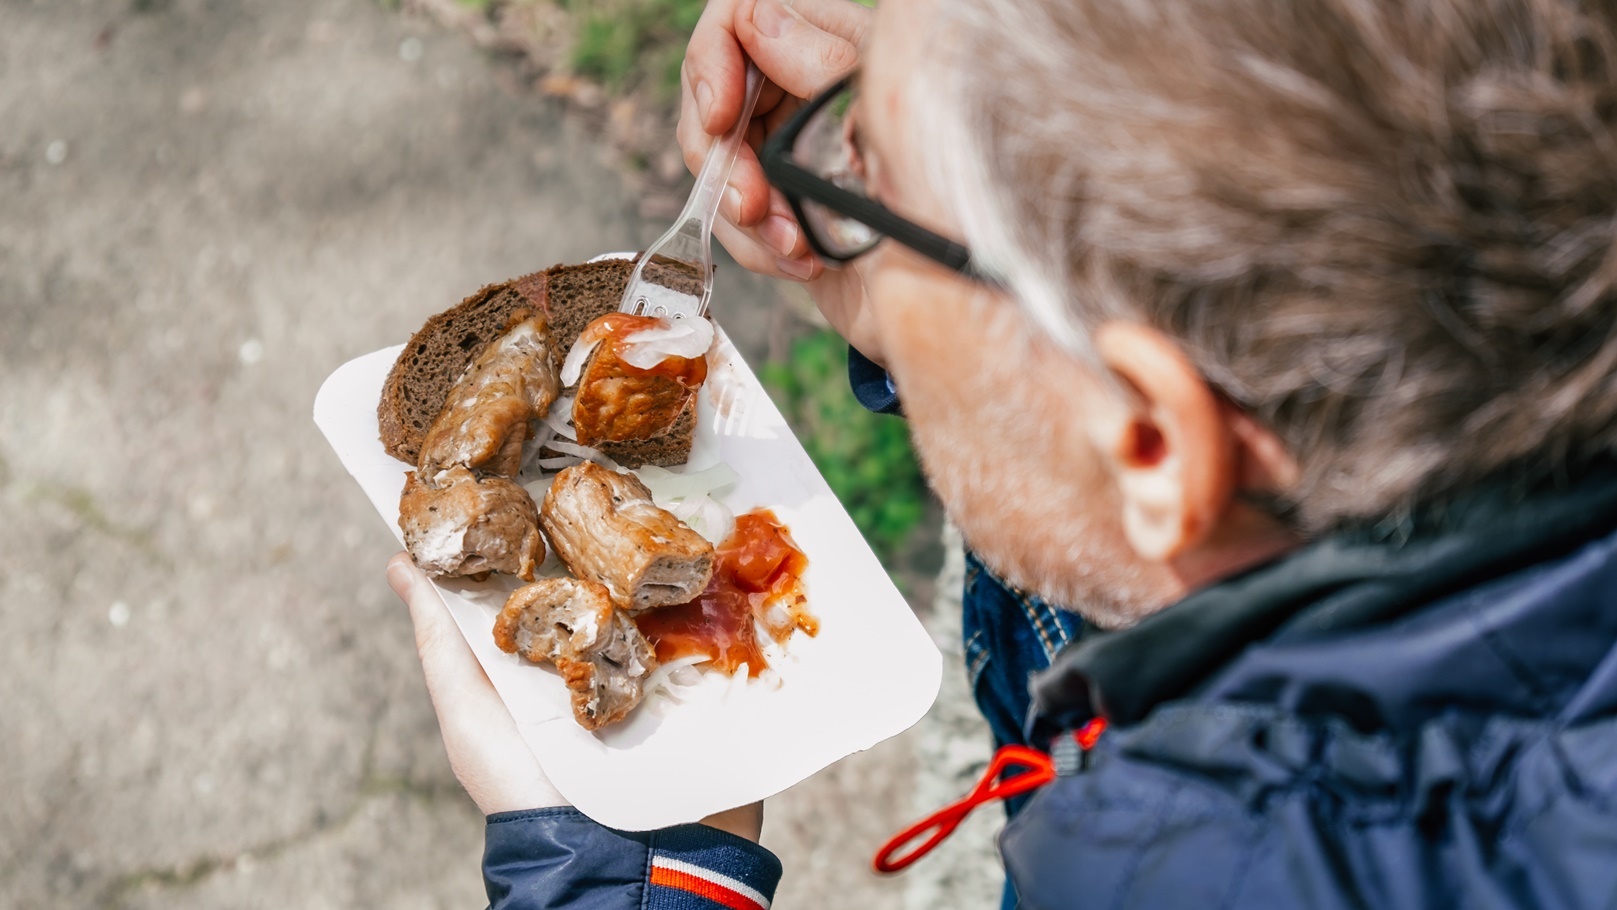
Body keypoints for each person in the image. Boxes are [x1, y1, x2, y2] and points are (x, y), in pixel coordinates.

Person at [386, 0, 1617, 906]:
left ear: (1147, 440)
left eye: (876, 192)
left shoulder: (1193, 874)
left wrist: (624, 877)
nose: (834, 184)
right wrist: (953, 147)